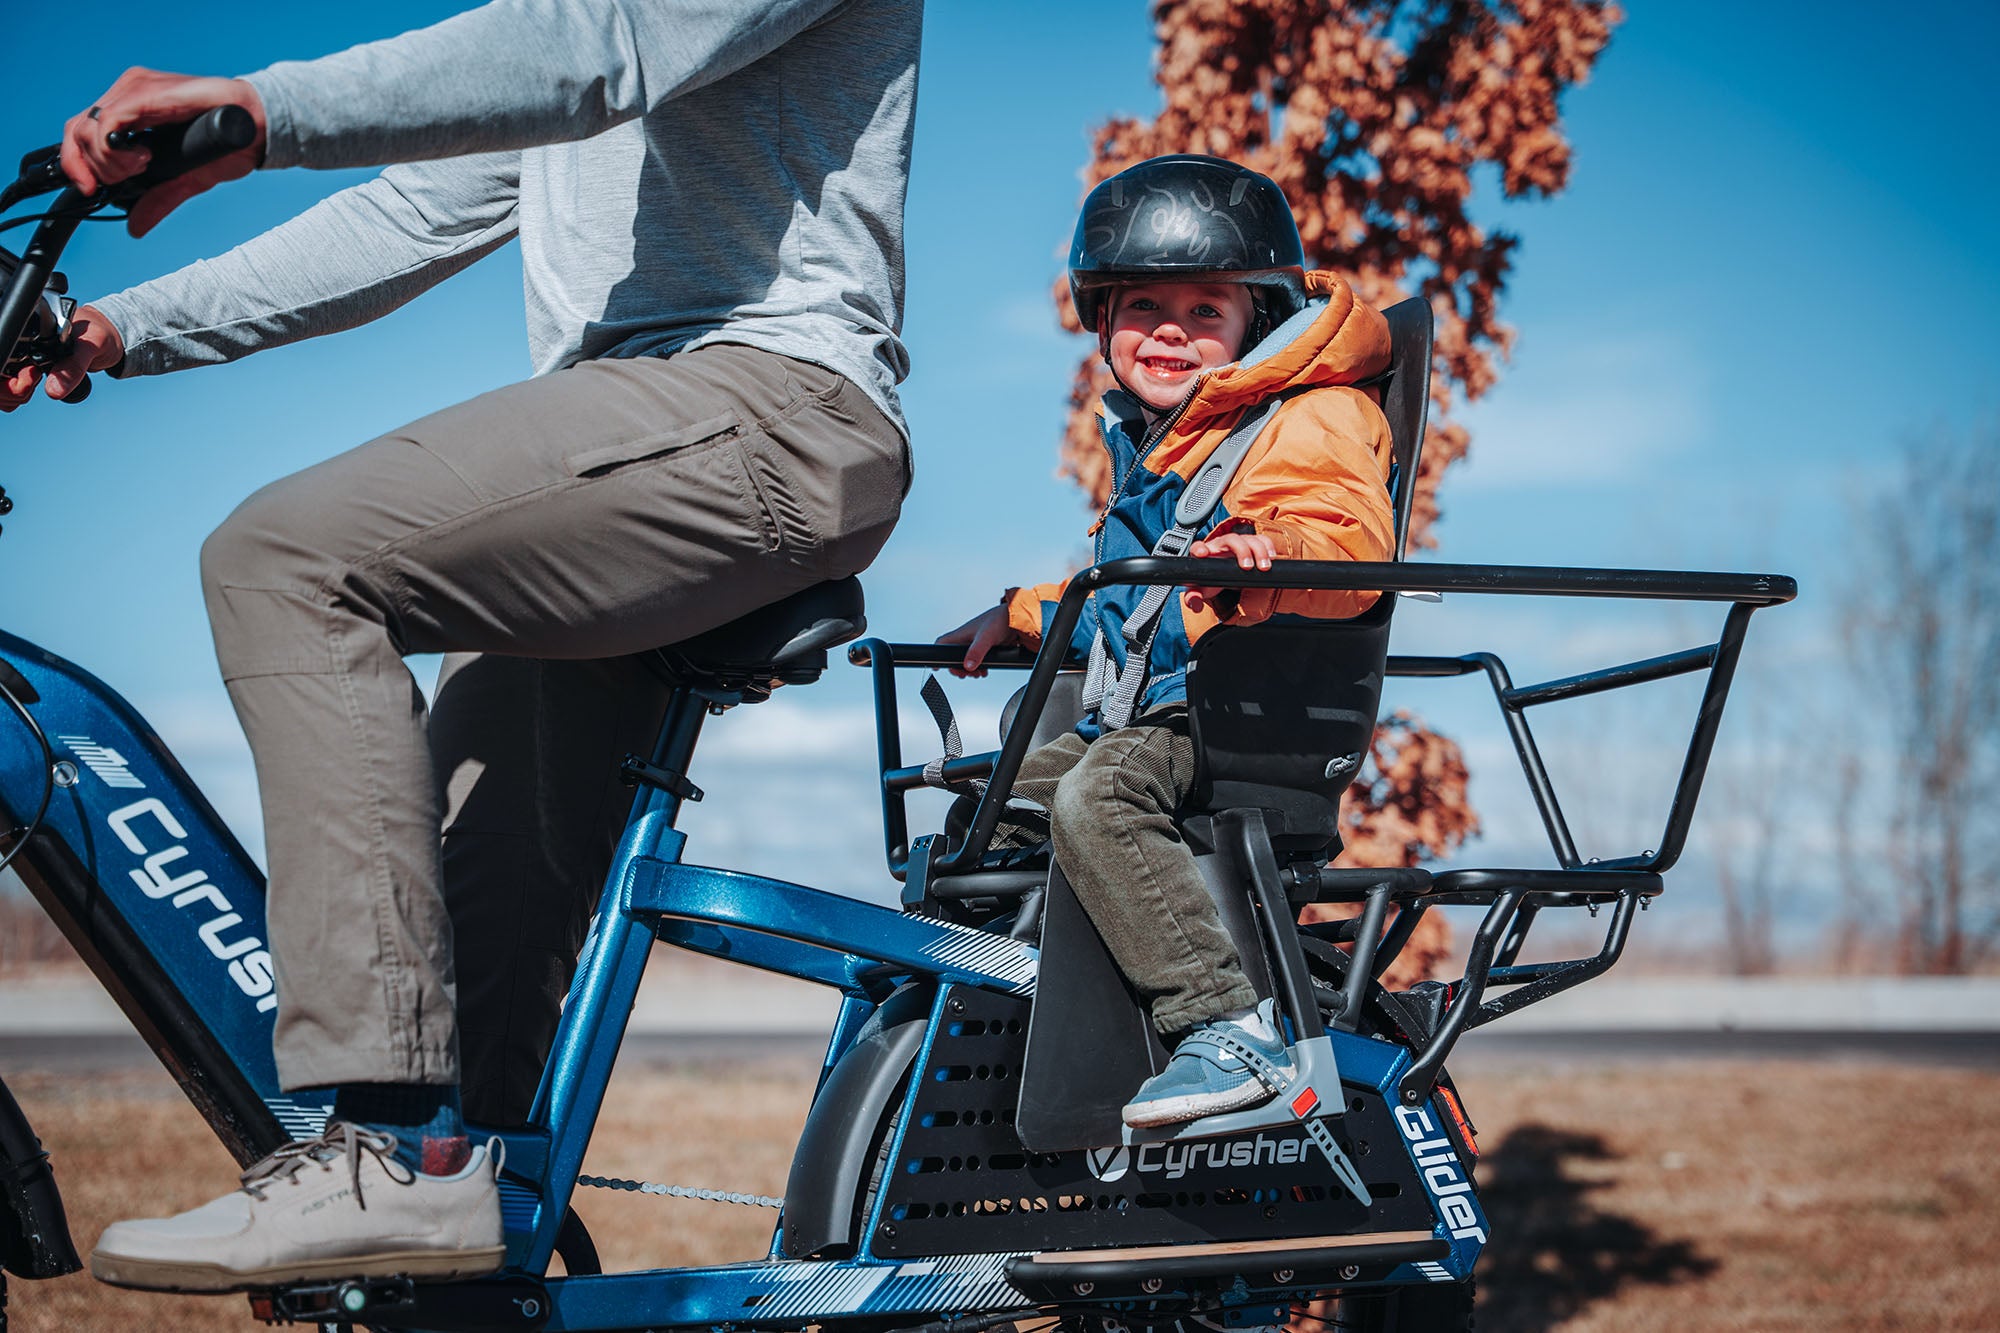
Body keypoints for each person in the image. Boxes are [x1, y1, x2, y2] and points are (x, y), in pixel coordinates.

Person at [6, 0, 921, 1293]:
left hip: (772, 407)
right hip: (628, 448)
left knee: (286, 558)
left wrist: (261, 113)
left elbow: (595, 52)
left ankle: (378, 1145)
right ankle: (443, 1181)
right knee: (472, 953)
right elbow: (413, 213)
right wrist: (113, 328)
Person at [938, 155, 1393, 1129]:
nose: (1170, 333)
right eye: (1143, 307)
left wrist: (1268, 558)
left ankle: (1227, 1028)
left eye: (1203, 310)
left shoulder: (1312, 414)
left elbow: (1349, 542)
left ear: (1255, 320)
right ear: (1102, 323)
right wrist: (1022, 612)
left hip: (1246, 714)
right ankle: (968, 983)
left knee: (1097, 796)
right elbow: (1129, 589)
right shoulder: (1172, 440)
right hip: (1153, 714)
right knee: (995, 796)